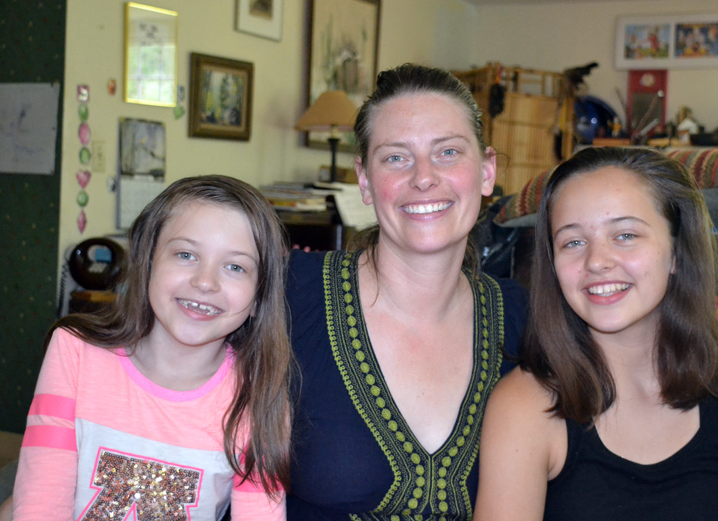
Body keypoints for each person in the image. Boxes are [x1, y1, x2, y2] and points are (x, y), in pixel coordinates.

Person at [474, 146, 718, 520]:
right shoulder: (523, 406)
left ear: (677, 252)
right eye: (573, 242)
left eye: (626, 235)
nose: (596, 261)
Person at [285, 63, 528, 519]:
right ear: (364, 180)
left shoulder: (522, 319)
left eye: (448, 152)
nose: (423, 177)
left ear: (487, 171)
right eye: (396, 157)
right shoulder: (289, 296)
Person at [12, 175, 292, 520]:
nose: (205, 282)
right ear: (147, 261)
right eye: (186, 254)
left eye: (235, 266)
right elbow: (40, 502)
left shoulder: (258, 396)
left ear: (258, 295)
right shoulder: (74, 353)